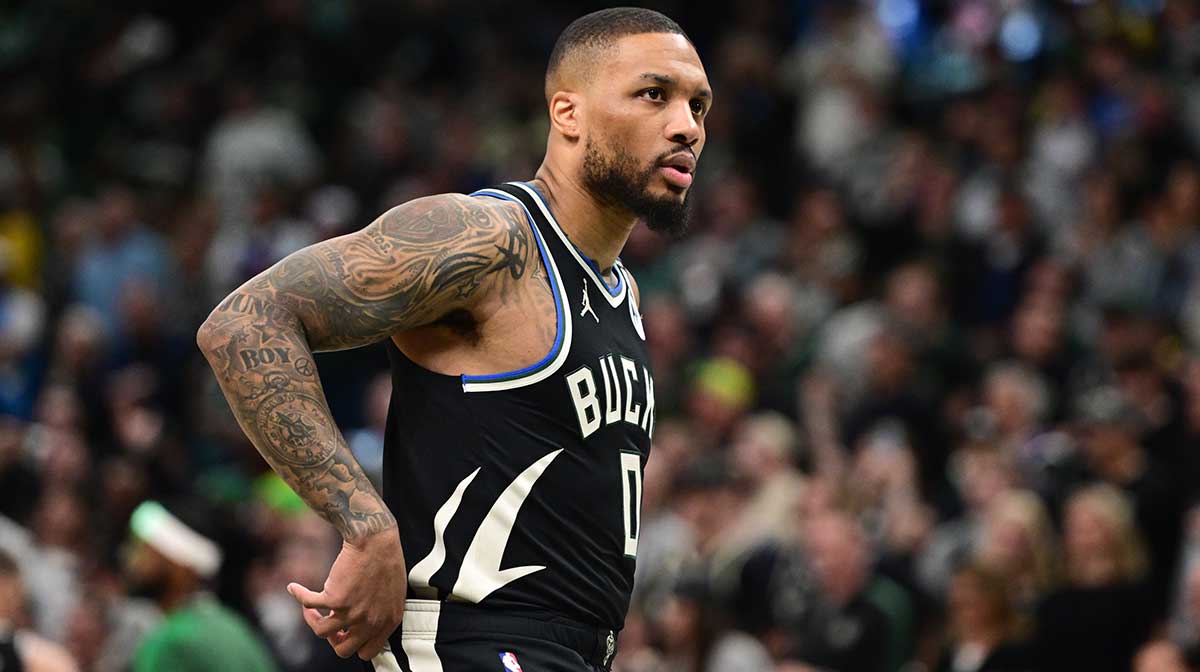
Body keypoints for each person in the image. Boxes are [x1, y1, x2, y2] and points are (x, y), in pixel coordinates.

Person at [196, 7, 710, 671]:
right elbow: (245, 321)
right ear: (568, 113)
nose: (686, 126)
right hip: (468, 642)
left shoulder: (624, 293)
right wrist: (364, 523)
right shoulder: (489, 239)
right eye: (654, 94)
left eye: (698, 105)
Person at [126, 500, 278, 672]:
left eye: (142, 549)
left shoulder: (170, 644)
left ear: (179, 565)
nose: (131, 559)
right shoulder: (233, 625)